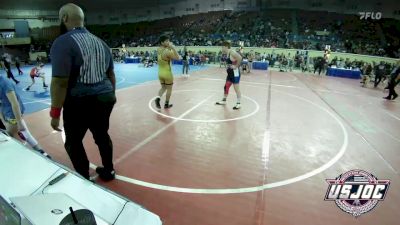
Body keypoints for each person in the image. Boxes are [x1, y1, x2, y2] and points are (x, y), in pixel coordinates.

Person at [50, 3, 116, 181]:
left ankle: (83, 177)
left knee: (73, 141)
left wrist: (55, 112)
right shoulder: (102, 43)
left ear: (64, 18)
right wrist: (111, 96)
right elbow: (110, 74)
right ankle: (109, 170)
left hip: (80, 100)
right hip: (105, 96)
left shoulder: (62, 42)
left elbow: (59, 82)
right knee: (102, 135)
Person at [0, 75, 50, 158]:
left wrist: (19, 122)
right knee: (25, 133)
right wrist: (2, 118)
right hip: (6, 114)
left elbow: (14, 103)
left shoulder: (4, 83)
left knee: (10, 136)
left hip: (12, 115)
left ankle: (31, 155)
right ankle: (42, 153)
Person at [154, 35, 181, 109]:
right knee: (169, 89)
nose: (168, 42)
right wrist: (173, 48)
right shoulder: (167, 51)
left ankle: (158, 98)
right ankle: (166, 104)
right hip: (167, 73)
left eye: (168, 40)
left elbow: (165, 50)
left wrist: (169, 47)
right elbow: (178, 58)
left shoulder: (158, 49)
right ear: (162, 42)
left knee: (163, 88)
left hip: (160, 73)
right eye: (166, 41)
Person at [216, 41, 243, 110]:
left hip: (235, 74)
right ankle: (224, 100)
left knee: (236, 88)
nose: (221, 49)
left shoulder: (232, 52)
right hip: (230, 74)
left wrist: (236, 66)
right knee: (226, 86)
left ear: (225, 47)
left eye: (222, 47)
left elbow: (240, 58)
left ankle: (238, 103)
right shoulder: (227, 53)